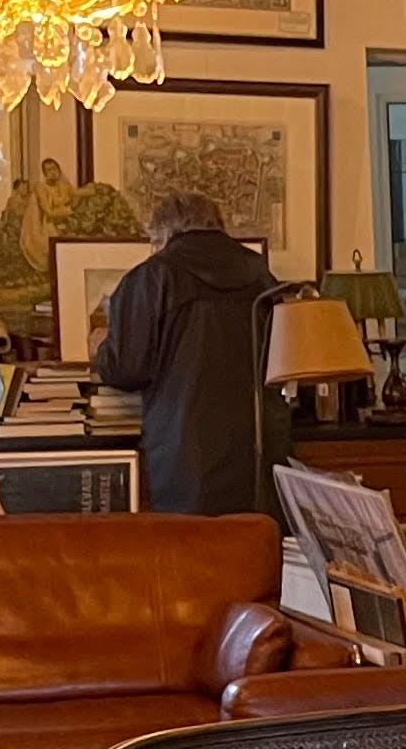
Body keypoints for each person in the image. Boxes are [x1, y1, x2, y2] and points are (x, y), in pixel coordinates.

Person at [91, 189, 286, 517]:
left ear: (163, 233)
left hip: (184, 451)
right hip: (258, 445)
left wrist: (100, 348)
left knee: (191, 555)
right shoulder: (261, 274)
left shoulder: (152, 276)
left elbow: (126, 370)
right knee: (255, 553)